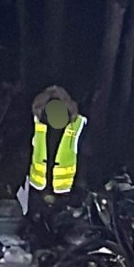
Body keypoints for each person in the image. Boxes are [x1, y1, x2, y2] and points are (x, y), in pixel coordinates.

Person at [20, 85, 89, 253]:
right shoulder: (37, 126)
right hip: (39, 189)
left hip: (66, 193)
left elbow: (85, 156)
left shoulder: (77, 127)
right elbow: (28, 154)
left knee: (64, 243)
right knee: (40, 240)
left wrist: (80, 190)